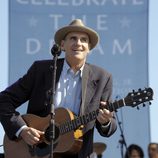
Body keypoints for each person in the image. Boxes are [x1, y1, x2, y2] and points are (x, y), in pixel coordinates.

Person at [0, 19, 117, 158]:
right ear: (62, 44)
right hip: (36, 152)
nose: (78, 43)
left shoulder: (103, 77)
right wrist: (22, 129)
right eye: (73, 38)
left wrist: (105, 122)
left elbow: (109, 127)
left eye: (83, 40)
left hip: (79, 153)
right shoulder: (41, 70)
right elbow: (4, 100)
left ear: (89, 48)